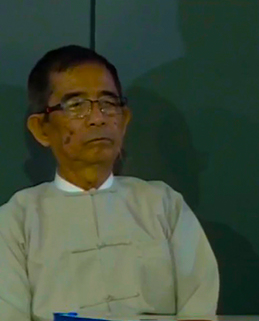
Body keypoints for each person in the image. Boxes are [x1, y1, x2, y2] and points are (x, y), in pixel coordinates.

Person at [0, 45, 219, 321]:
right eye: (76, 106)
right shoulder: (16, 221)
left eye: (108, 104)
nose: (97, 118)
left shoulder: (164, 205)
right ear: (42, 129)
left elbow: (199, 310)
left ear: (124, 121)